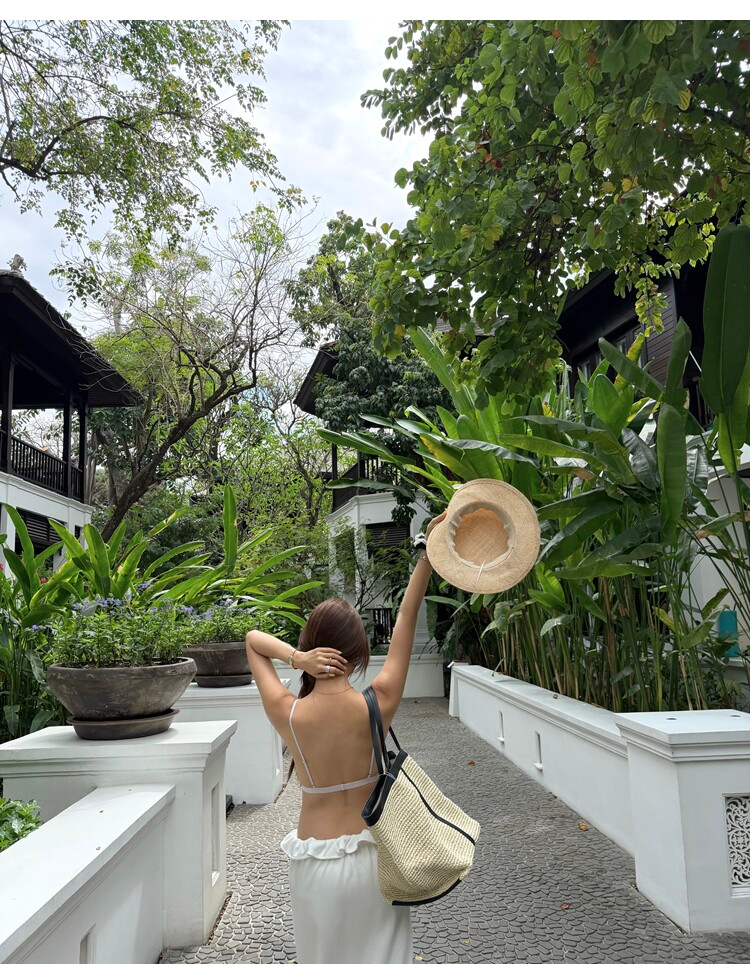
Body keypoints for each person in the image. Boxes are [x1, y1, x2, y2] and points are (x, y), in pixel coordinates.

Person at [245, 513, 445, 964]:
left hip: (312, 864)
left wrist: (297, 659)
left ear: (312, 645)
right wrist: (426, 558)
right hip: (373, 857)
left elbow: (253, 640)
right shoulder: (379, 703)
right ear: (358, 655)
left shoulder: (288, 713)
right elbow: (406, 617)